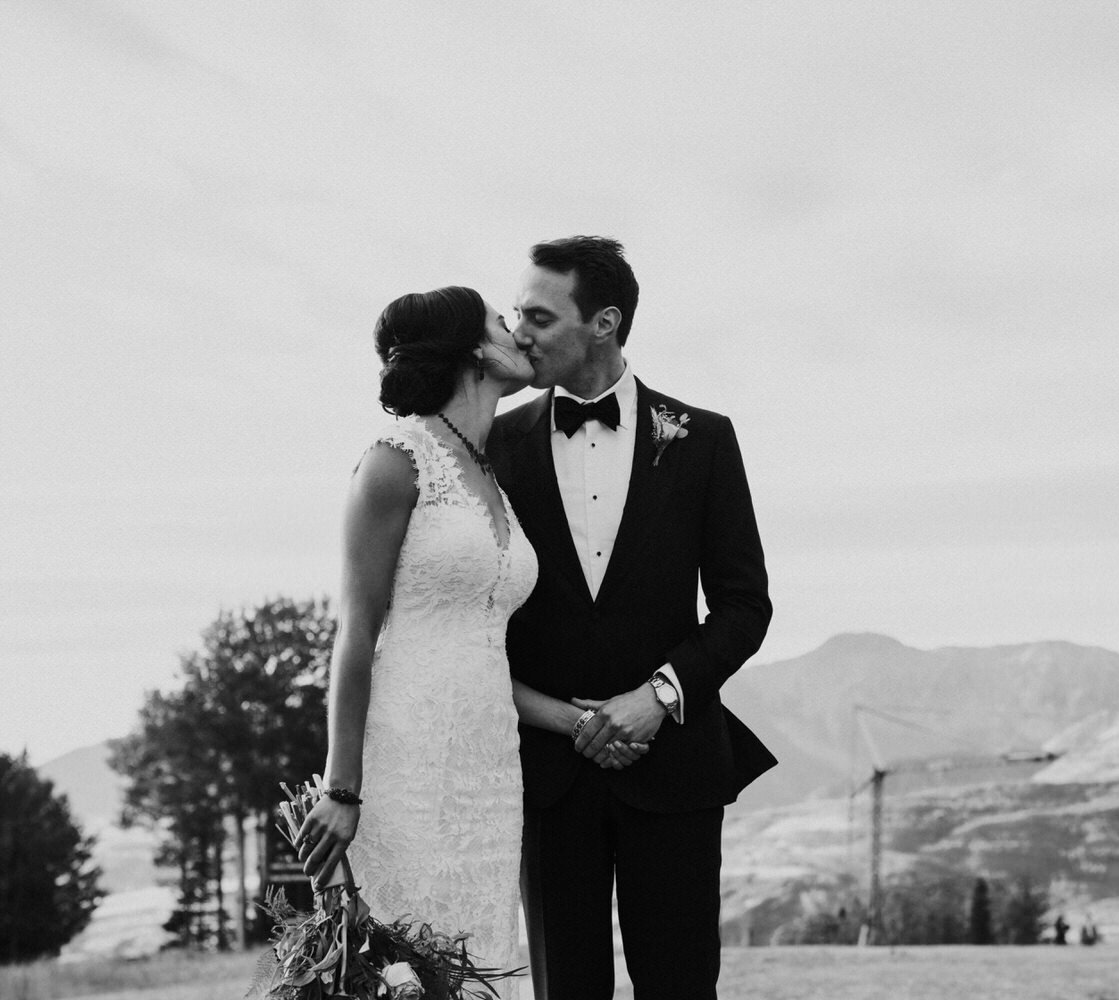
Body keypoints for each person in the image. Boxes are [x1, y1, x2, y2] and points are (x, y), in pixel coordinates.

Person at [292, 286, 649, 984]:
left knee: (473, 964)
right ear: (473, 351)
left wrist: (575, 719)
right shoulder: (395, 461)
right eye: (499, 321)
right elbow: (356, 632)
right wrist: (341, 788)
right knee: (400, 966)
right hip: (406, 761)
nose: (516, 330)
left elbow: (480, 651)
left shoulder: (493, 473)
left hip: (489, 770)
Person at [490, 237, 775, 1000]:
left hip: (675, 770)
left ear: (605, 322)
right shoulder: (496, 443)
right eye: (518, 313)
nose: (519, 332)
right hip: (549, 780)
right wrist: (566, 720)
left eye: (539, 317)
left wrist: (656, 700)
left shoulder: (704, 439)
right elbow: (481, 618)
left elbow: (745, 605)